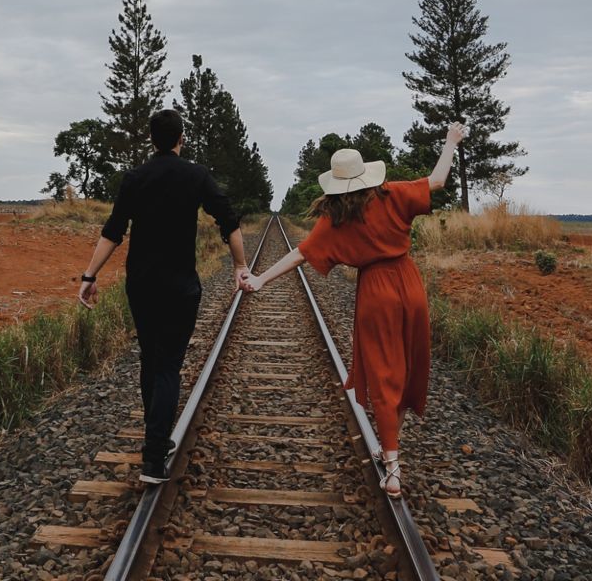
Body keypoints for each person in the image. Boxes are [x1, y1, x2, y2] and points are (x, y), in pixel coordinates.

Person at [240, 121, 466, 496]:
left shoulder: (337, 219)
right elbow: (438, 180)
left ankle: (392, 467)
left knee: (382, 372)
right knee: (406, 367)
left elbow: (301, 254)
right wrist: (450, 142)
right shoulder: (393, 194)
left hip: (377, 292)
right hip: (410, 285)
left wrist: (261, 279)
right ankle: (390, 449)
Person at [76, 108, 248, 484]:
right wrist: (239, 265)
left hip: (141, 285)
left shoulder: (135, 178)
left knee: (150, 359)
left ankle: (155, 439)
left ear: (151, 139)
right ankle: (154, 455)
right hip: (181, 286)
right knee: (169, 364)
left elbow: (113, 231)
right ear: (180, 138)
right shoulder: (196, 175)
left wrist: (90, 275)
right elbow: (228, 219)